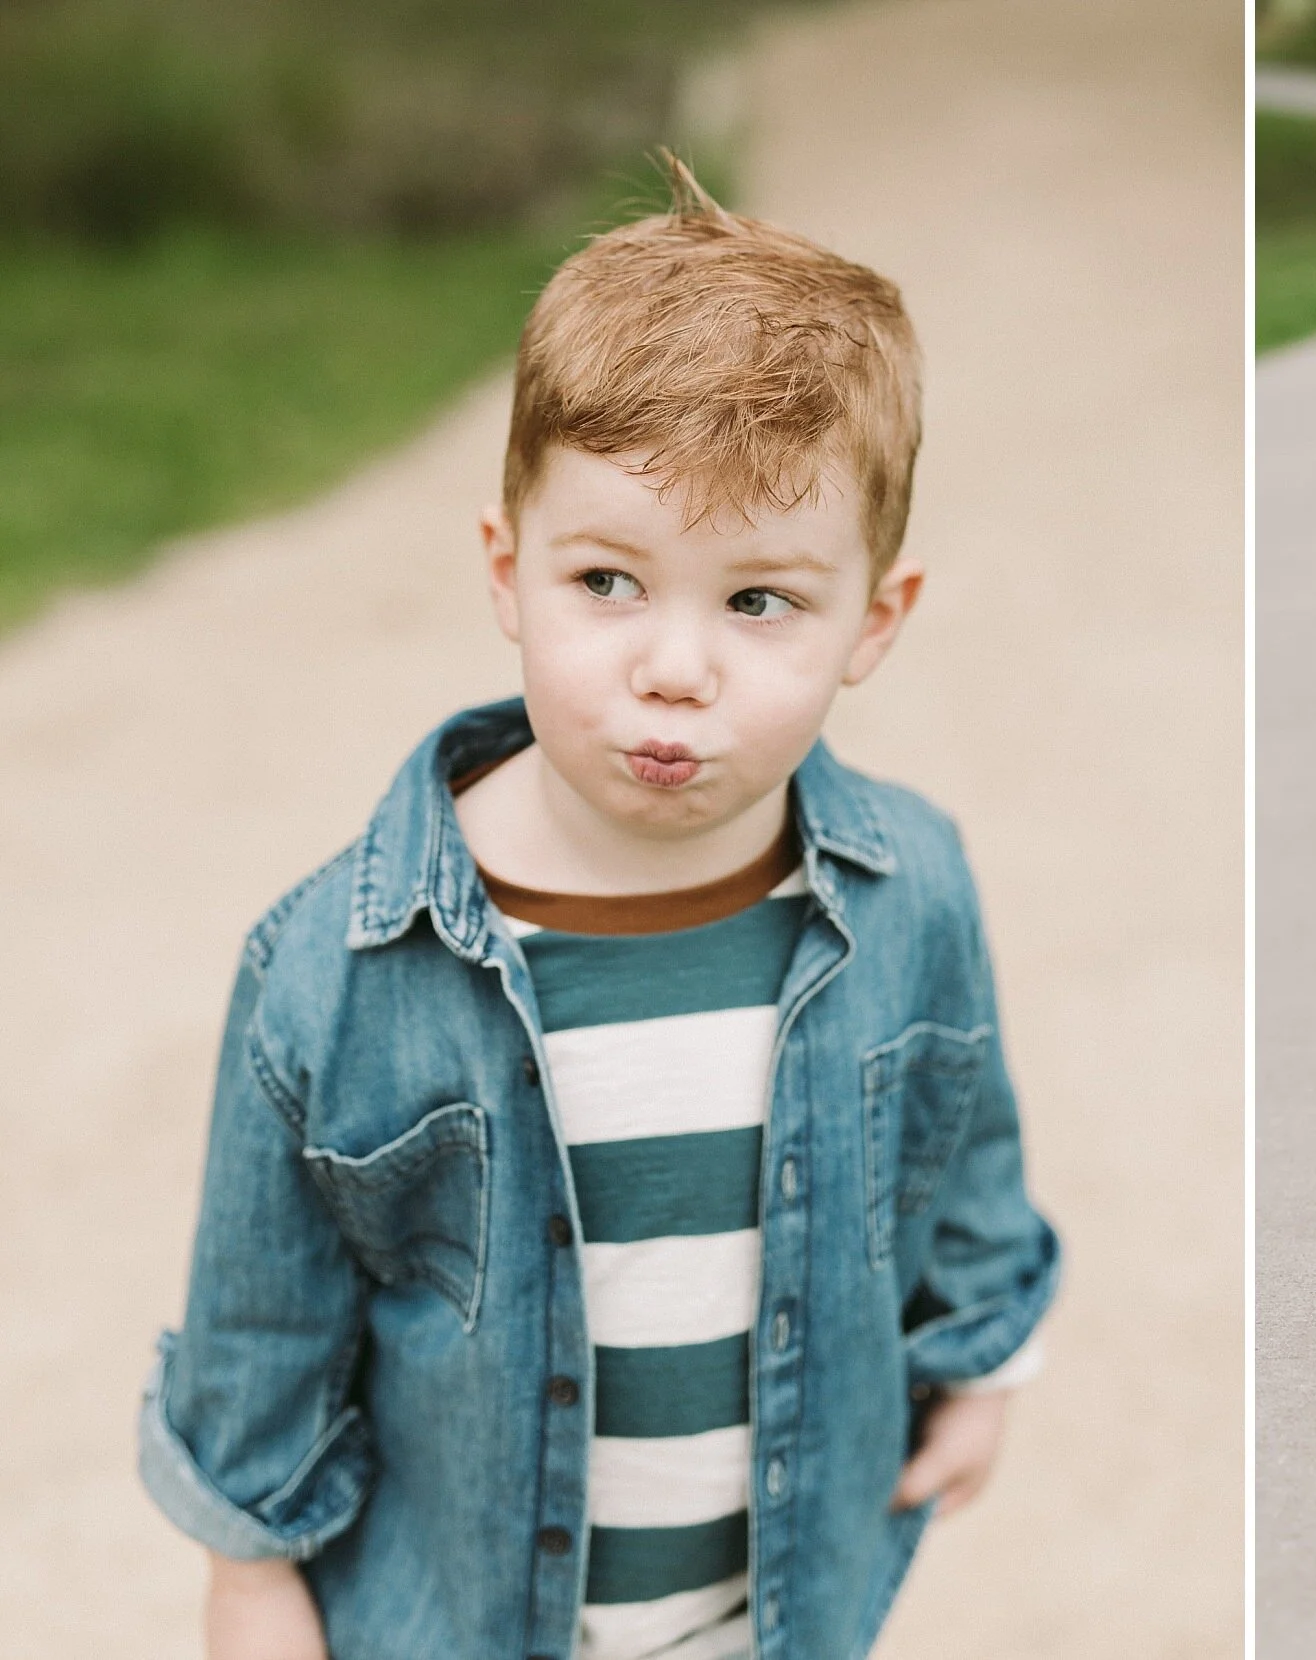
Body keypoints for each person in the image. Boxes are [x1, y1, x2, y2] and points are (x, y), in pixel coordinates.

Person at [138, 158, 1060, 1659]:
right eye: (610, 582)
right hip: (456, 1619)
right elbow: (265, 1316)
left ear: (873, 620)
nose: (674, 669)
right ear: (509, 572)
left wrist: (980, 1360)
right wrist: (251, 1572)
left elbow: (960, 1143)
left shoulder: (913, 890)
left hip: (774, 1610)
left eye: (758, 602)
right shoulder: (338, 962)